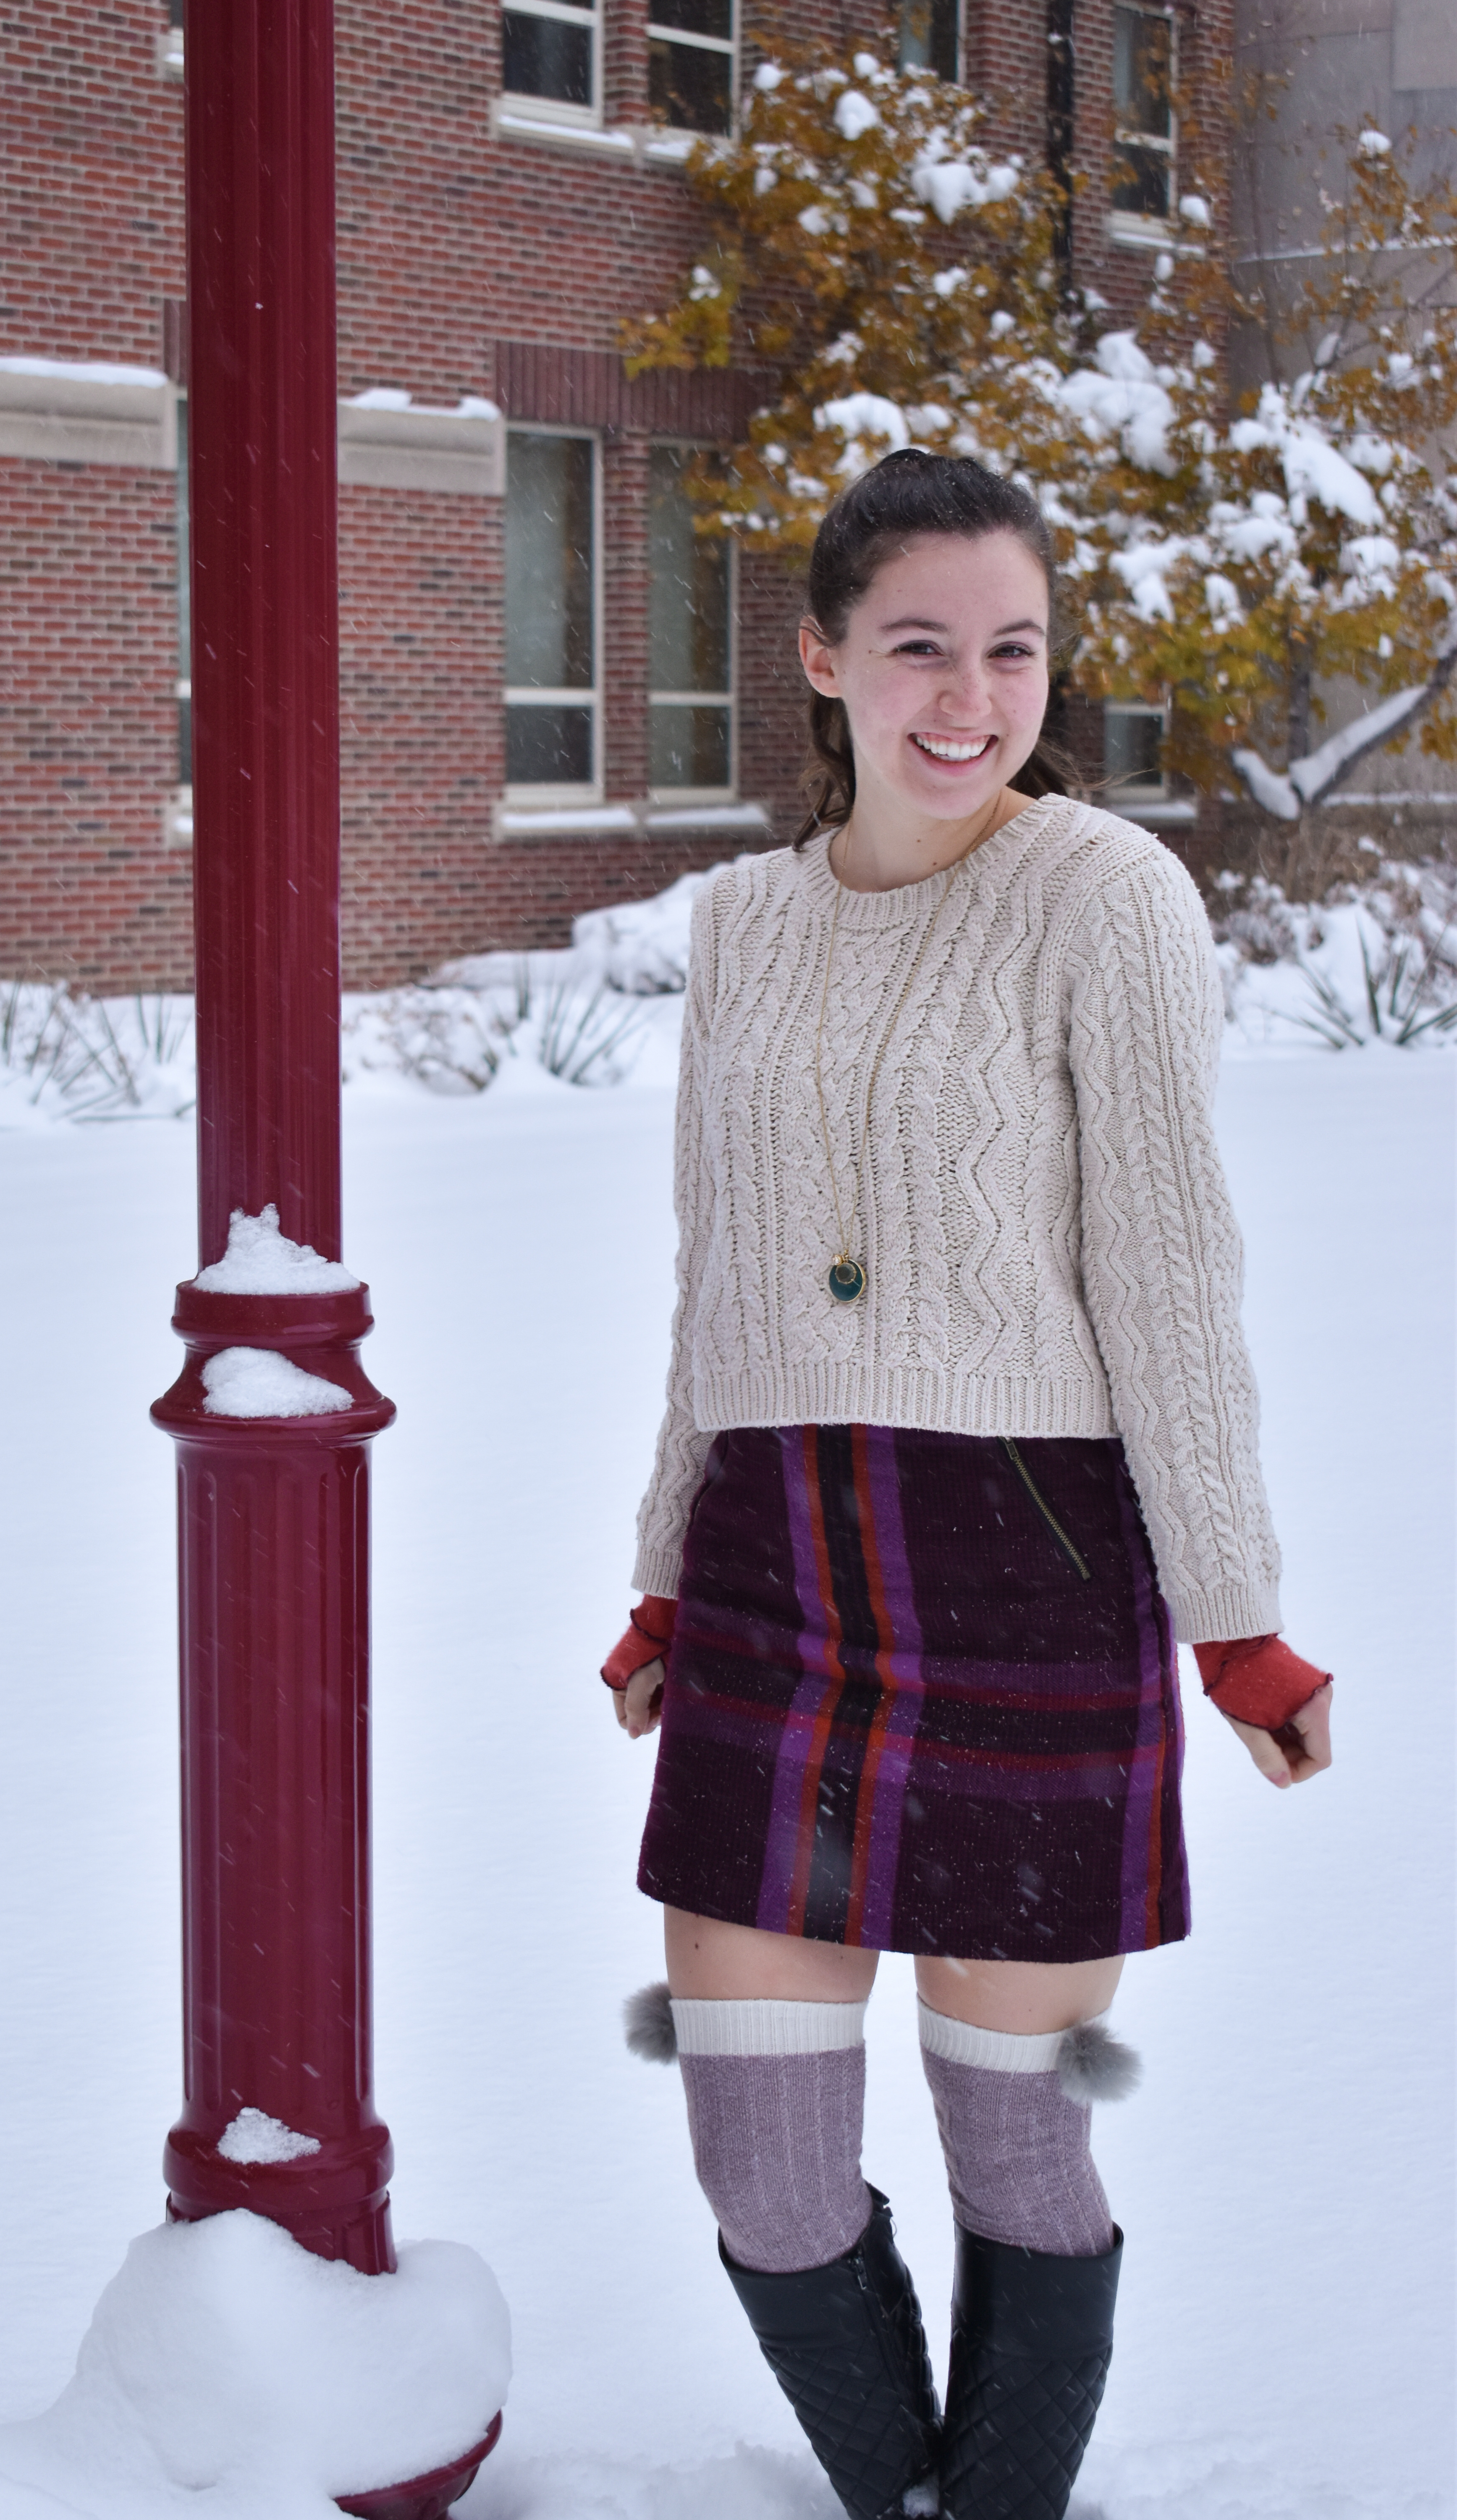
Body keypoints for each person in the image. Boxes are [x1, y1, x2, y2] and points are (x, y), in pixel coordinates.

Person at [601, 452, 1333, 2520]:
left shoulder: (1104, 893)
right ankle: (893, 2489)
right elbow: (712, 1274)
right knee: (756, 2156)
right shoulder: (741, 926)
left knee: (1013, 2126)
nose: (968, 693)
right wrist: (663, 1568)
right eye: (918, 643)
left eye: (1011, 647)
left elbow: (1170, 1272)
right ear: (822, 657)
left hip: (1024, 1559)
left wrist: (1239, 1617)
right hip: (772, 1568)